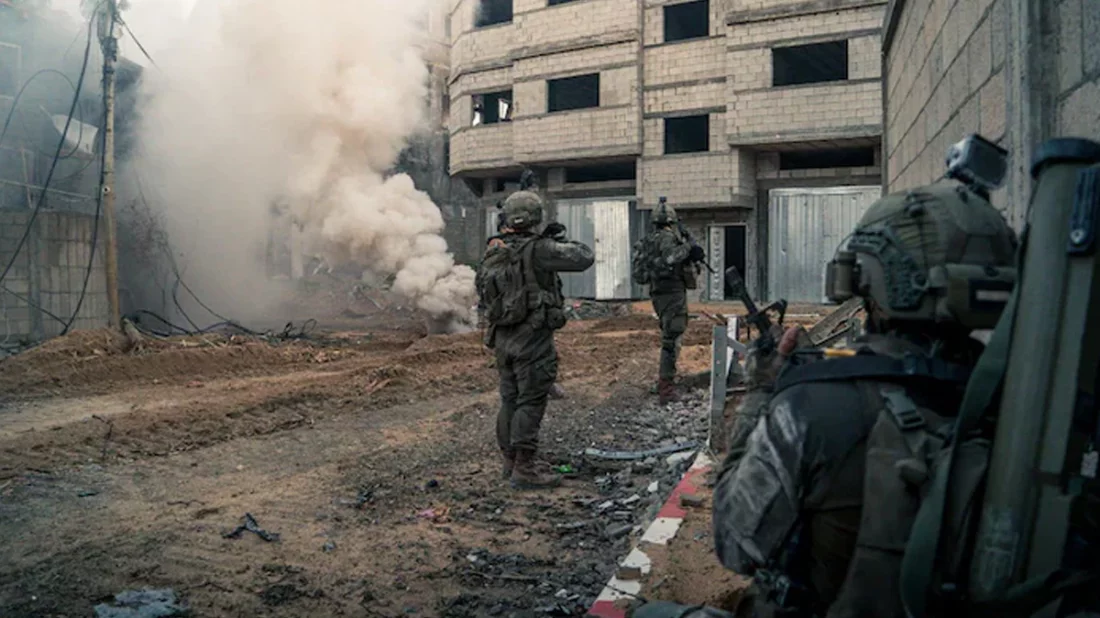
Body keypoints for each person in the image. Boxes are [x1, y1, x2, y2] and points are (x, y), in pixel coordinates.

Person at [710, 179, 1017, 618]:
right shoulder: (1024, 403)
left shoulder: (809, 410)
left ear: (869, 276)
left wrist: (762, 391)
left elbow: (733, 542)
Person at [479, 189, 594, 490]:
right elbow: (584, 256)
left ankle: (510, 461)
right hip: (531, 337)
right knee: (531, 399)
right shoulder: (540, 249)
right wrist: (556, 238)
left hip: (503, 337)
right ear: (535, 219)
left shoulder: (495, 250)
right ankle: (525, 468)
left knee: (510, 399)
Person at [631, 199, 703, 404]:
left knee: (669, 335)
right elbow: (672, 258)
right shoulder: (668, 240)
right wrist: (689, 247)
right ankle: (666, 389)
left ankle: (665, 381)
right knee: (672, 340)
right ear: (671, 222)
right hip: (672, 293)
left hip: (658, 293)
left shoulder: (648, 240)